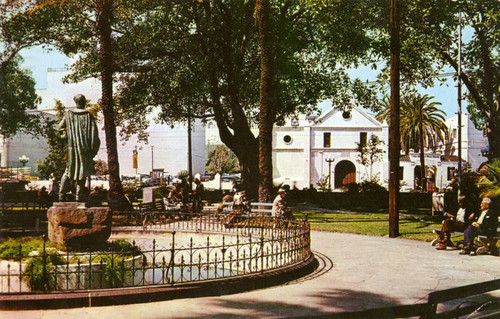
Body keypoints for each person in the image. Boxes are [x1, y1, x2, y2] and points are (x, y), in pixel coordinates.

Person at [58, 94, 100, 202]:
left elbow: (59, 128)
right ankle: (79, 197)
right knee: (83, 171)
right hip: (85, 149)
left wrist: (65, 136)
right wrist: (94, 148)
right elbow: (94, 133)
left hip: (72, 148)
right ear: (84, 102)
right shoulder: (88, 115)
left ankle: (61, 195)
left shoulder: (68, 114)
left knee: (68, 171)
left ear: (75, 102)